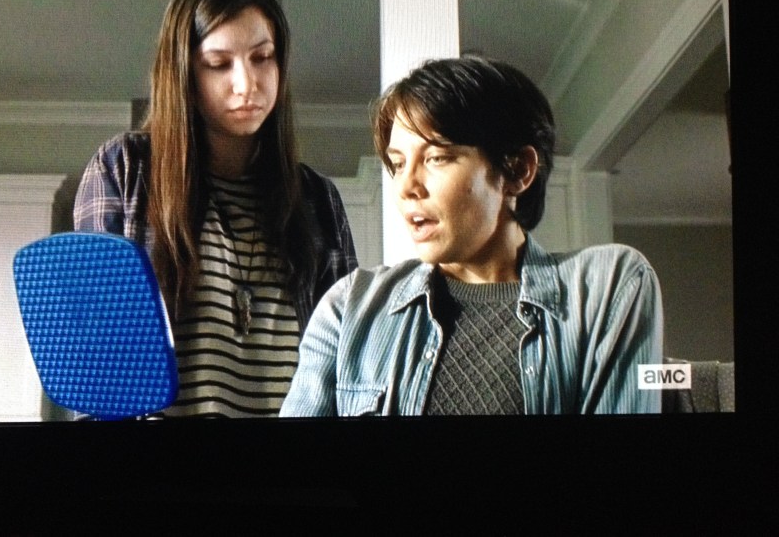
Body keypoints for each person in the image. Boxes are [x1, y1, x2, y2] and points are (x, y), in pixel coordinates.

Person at [280, 56, 663, 416]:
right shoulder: (349, 307)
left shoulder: (607, 285)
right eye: (398, 164)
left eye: (436, 158)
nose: (406, 186)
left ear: (517, 171)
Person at [74, 0, 358, 417]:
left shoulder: (317, 200)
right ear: (184, 73)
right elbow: (95, 363)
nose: (247, 84)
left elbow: (349, 366)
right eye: (219, 64)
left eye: (262, 57)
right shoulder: (124, 170)